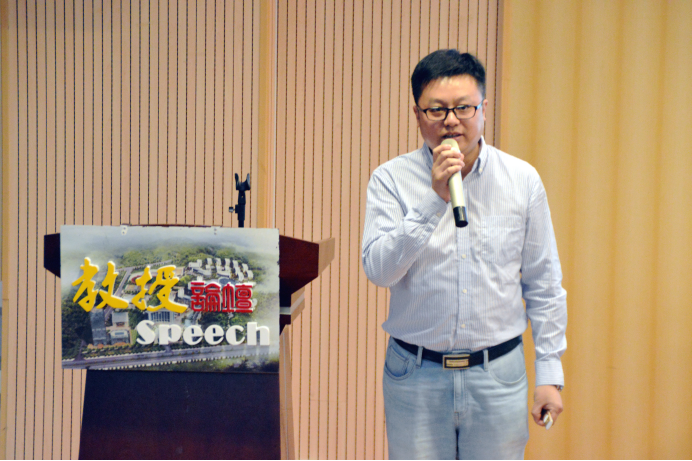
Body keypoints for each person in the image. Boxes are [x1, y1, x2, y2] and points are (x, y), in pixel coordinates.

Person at [362, 49, 567, 460]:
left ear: (483, 109)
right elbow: (379, 270)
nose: (451, 120)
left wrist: (549, 372)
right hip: (415, 375)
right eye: (436, 109)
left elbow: (543, 283)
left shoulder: (522, 180)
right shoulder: (390, 179)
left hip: (498, 375)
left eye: (463, 107)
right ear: (417, 114)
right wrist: (433, 200)